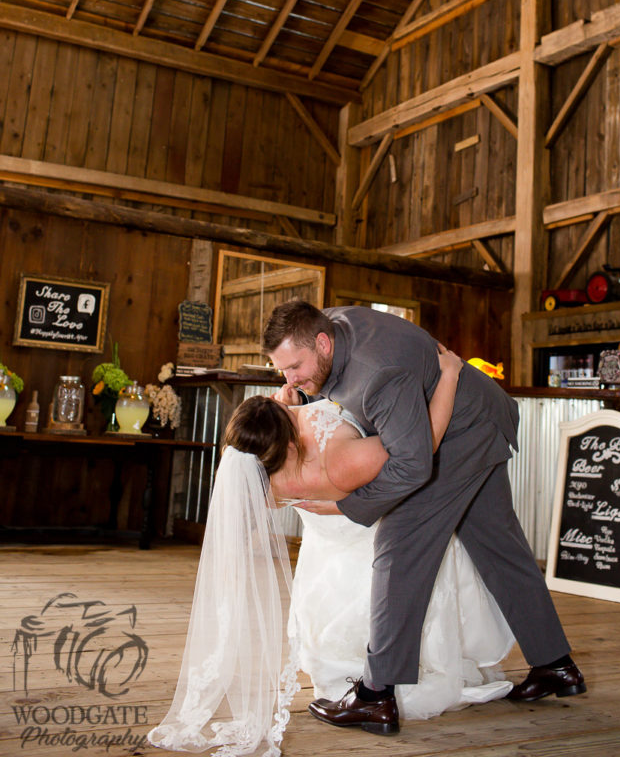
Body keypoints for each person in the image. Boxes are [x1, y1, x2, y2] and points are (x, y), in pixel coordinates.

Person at [147, 351, 512, 756]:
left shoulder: (258, 477)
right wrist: (448, 375)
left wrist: (296, 406)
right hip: (372, 550)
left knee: (344, 646)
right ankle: (380, 686)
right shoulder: (338, 459)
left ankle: (368, 681)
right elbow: (420, 451)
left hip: (336, 563)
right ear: (286, 442)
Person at [263, 301, 586, 736]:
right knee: (498, 546)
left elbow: (413, 466)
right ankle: (555, 665)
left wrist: (347, 505)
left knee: (398, 551)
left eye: (295, 366)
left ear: (322, 342)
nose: (290, 379)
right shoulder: (331, 326)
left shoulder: (375, 374)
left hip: (458, 436)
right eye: (282, 370)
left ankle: (376, 697)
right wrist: (302, 389)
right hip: (479, 420)